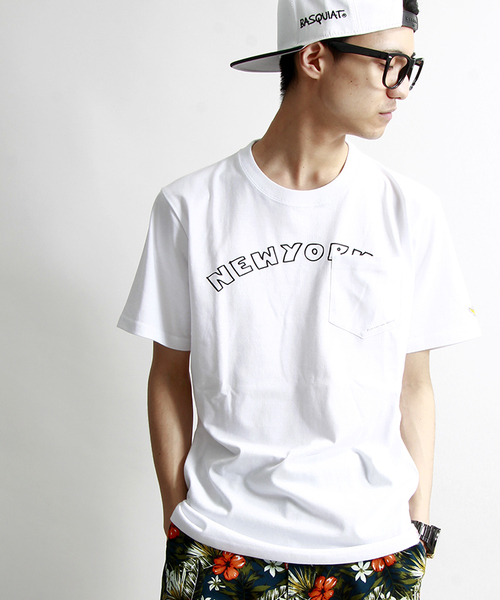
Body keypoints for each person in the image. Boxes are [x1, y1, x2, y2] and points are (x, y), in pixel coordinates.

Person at [118, 1, 480, 598]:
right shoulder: (191, 207)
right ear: (314, 58)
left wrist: (416, 528)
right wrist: (176, 516)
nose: (401, 88)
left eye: (409, 68)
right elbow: (168, 373)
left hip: (374, 551)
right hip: (218, 545)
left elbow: (414, 383)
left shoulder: (409, 211)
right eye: (389, 63)